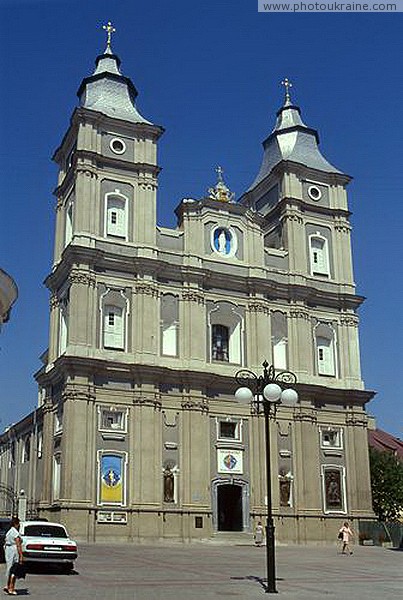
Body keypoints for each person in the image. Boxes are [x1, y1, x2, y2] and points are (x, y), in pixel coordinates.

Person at [3, 517, 23, 595]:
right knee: (14, 569)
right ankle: (11, 588)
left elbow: (5, 541)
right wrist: (21, 556)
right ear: (16, 524)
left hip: (8, 551)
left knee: (10, 568)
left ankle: (7, 586)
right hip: (14, 551)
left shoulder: (9, 531)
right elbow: (18, 545)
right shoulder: (15, 533)